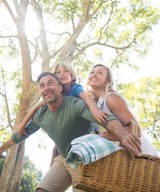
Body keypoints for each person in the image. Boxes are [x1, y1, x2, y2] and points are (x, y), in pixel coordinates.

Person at [0, 72, 142, 192]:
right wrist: (1, 149)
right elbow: (18, 136)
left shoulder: (74, 104)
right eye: (42, 86)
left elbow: (106, 119)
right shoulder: (40, 115)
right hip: (64, 159)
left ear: (60, 87)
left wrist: (123, 135)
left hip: (84, 158)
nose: (46, 88)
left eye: (50, 83)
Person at [17, 62, 107, 166]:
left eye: (65, 71)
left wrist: (96, 111)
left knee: (88, 142)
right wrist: (22, 126)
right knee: (56, 150)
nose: (62, 74)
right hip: (69, 128)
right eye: (57, 72)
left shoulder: (75, 88)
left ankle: (78, 164)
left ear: (72, 76)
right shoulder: (55, 92)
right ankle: (56, 171)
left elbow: (87, 97)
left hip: (85, 125)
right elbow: (34, 108)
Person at [86, 63, 158, 156]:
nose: (94, 74)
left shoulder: (110, 98)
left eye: (100, 73)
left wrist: (101, 136)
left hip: (144, 157)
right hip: (121, 160)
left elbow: (136, 130)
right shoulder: (95, 105)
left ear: (107, 80)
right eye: (92, 72)